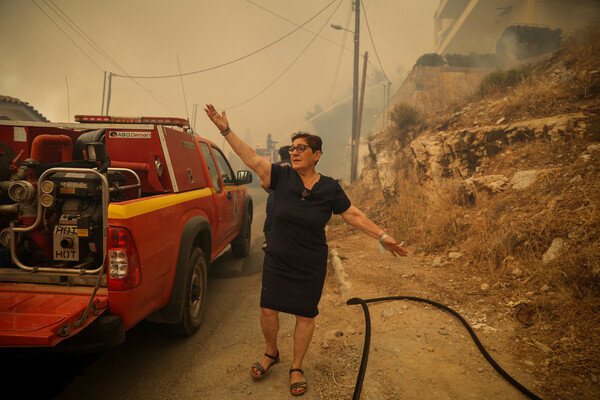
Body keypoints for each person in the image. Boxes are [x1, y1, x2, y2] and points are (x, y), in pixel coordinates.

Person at [204, 104, 408, 397]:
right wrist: (225, 129)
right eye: (292, 148)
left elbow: (353, 215)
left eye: (302, 148)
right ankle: (272, 352)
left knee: (305, 316)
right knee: (267, 309)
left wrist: (382, 235)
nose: (294, 152)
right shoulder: (281, 177)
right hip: (277, 260)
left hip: (310, 263)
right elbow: (249, 157)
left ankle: (296, 366)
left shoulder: (329, 188)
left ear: (317, 154)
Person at [263, 145, 291, 248]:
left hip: (274, 198)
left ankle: (268, 242)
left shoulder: (274, 166)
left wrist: (271, 191)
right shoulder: (298, 165)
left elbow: (263, 183)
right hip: (293, 200)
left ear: (280, 155)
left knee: (270, 222)